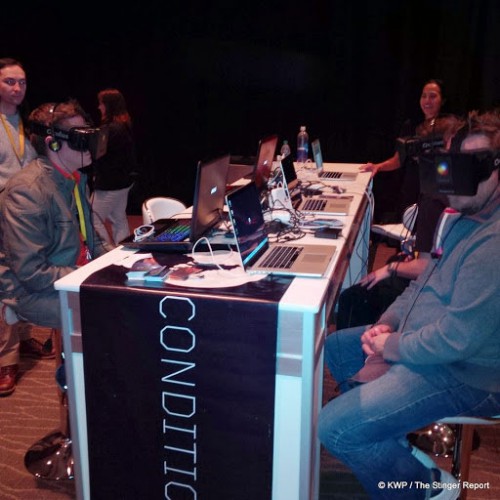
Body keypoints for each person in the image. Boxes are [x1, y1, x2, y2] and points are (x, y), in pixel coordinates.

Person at [318, 116, 500, 499]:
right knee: (336, 347)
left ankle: (424, 488)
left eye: (476, 165)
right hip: (439, 342)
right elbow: (424, 282)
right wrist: (388, 322)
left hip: (472, 373)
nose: (456, 179)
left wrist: (392, 346)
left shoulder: (492, 243)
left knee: (335, 428)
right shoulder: (463, 219)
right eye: (454, 163)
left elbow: (456, 341)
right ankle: (391, 442)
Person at [0, 100, 112, 396]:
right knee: (114, 314)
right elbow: (32, 273)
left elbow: (91, 237)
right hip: (31, 292)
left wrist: (119, 263)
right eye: (79, 137)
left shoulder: (75, 178)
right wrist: (92, 276)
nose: (89, 144)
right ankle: (83, 402)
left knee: (135, 293)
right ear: (53, 143)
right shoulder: (28, 191)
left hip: (72, 276)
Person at [361, 79, 450, 222]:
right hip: (411, 188)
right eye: (424, 96)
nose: (427, 100)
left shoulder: (449, 127)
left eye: (433, 96)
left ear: (442, 100)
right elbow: (398, 159)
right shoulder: (411, 124)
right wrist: (378, 166)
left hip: (437, 190)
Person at [91, 88, 138, 246]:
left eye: (101, 104)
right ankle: (122, 249)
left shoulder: (110, 129)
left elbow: (99, 156)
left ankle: (106, 250)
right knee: (119, 218)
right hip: (123, 182)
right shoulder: (124, 124)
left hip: (110, 184)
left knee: (91, 218)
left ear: (108, 105)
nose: (99, 107)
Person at [0, 57, 37, 189]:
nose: (18, 88)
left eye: (22, 82)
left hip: (31, 197)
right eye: (10, 82)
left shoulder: (32, 122)